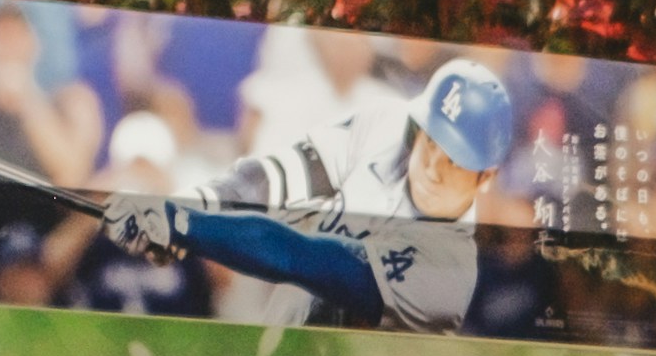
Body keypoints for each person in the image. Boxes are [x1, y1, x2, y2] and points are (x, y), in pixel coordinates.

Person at [95, 51, 518, 333]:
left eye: (456, 161)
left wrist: (185, 224)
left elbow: (303, 257)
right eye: (431, 142)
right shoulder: (389, 126)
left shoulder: (446, 274)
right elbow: (276, 176)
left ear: (486, 176)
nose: (432, 167)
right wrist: (193, 202)